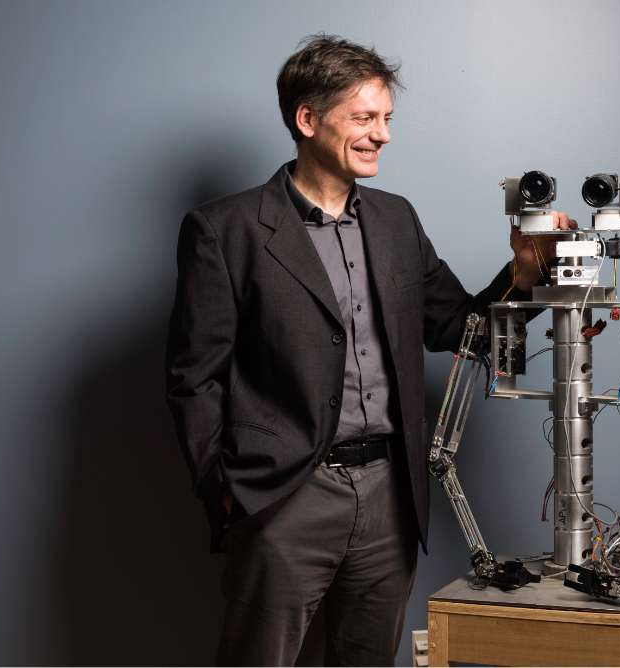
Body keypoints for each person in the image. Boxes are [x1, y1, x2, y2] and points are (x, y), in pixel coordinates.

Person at [165, 34, 574, 666]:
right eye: (364, 118)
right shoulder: (225, 231)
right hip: (283, 499)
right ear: (307, 119)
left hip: (391, 496)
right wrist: (227, 491)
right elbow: (195, 379)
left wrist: (522, 276)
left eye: (386, 119)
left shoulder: (395, 220)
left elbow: (457, 329)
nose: (382, 134)